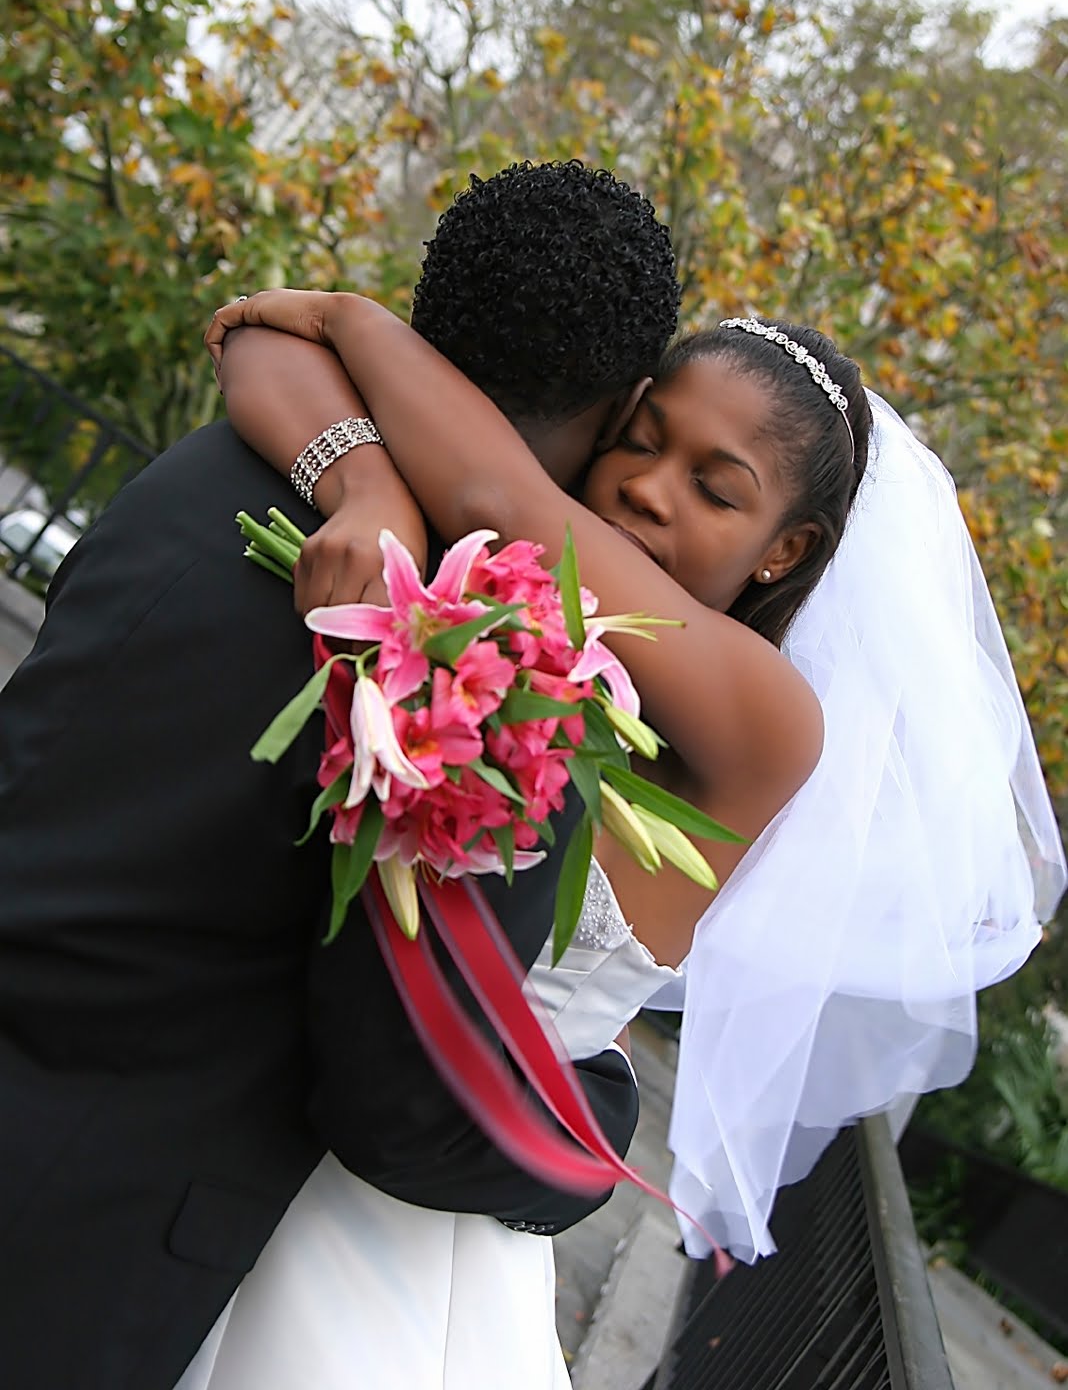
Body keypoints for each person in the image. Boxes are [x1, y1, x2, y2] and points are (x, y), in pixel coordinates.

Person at [208, 282, 1064, 1338]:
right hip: (239, 1114)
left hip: (403, 1218)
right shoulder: (512, 585)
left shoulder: (770, 721)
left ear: (785, 550)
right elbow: (252, 344)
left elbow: (499, 492)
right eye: (642, 440)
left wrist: (350, 314)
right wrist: (368, 486)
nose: (649, 491)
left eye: (715, 488)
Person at [0, 161, 682, 1390]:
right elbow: (401, 1106)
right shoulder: (477, 676)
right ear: (627, 399)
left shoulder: (223, 464)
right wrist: (594, 1127)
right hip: (77, 1239)